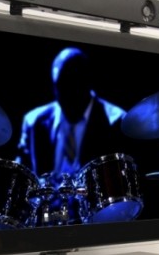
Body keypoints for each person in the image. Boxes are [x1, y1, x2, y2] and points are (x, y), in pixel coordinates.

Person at [17, 47, 127, 178]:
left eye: (73, 85)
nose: (66, 95)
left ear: (88, 82)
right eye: (60, 86)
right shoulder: (33, 122)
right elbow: (20, 176)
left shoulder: (117, 123)